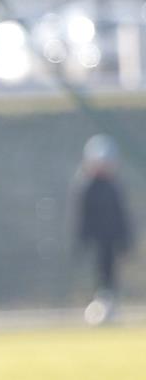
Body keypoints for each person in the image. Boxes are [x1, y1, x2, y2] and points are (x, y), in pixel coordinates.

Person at [73, 133, 134, 325]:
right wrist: (82, 238)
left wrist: (125, 238)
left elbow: (121, 214)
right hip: (95, 242)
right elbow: (82, 217)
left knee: (110, 275)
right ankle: (99, 308)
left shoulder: (114, 186)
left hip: (111, 241)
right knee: (98, 275)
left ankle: (108, 306)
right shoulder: (87, 187)